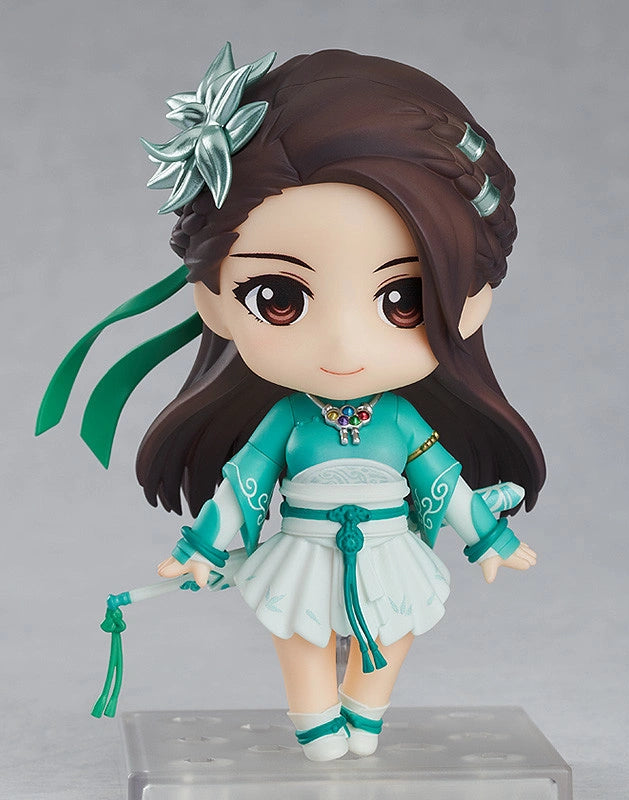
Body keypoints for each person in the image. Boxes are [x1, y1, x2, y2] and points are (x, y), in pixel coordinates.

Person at [37, 44, 544, 761]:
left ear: (472, 302)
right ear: (214, 299)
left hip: (388, 549)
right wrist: (204, 546)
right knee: (301, 634)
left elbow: (444, 485)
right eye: (279, 298)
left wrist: (489, 538)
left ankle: (365, 712)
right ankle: (315, 721)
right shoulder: (287, 419)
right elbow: (245, 484)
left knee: (395, 626)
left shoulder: (401, 422)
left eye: (402, 299)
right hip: (304, 548)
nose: (342, 343)